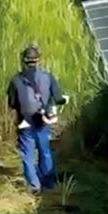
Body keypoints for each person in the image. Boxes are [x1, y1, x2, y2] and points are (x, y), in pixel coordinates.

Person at [7, 45, 66, 194]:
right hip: (42, 121)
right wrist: (61, 102)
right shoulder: (48, 77)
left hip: (24, 121)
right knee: (45, 151)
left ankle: (34, 186)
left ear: (24, 61)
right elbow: (58, 98)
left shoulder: (16, 80)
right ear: (39, 60)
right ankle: (48, 183)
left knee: (27, 154)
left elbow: (12, 104)